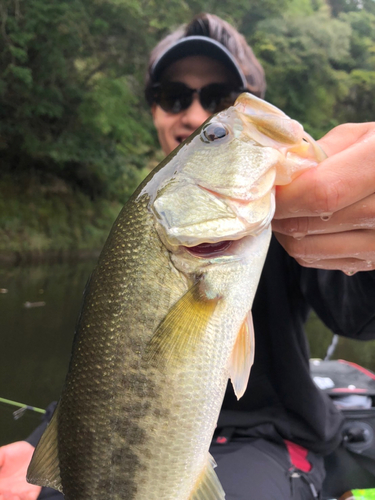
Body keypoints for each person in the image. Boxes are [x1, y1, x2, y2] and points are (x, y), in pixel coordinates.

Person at [1, 12, 374, 500]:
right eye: (174, 96)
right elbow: (100, 365)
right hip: (118, 442)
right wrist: (44, 435)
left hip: (265, 436)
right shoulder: (143, 224)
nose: (196, 116)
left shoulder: (289, 211)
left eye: (220, 102)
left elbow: (357, 314)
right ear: (154, 109)